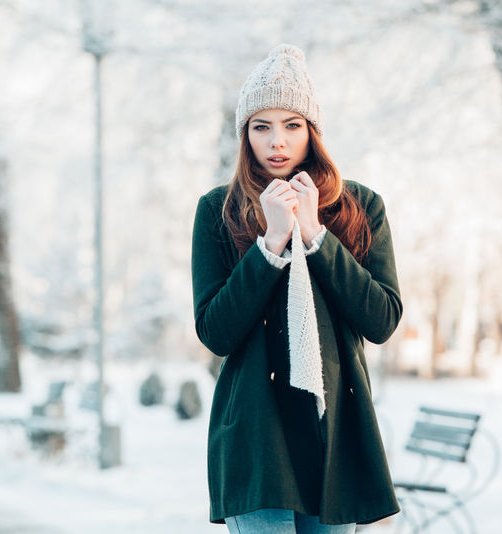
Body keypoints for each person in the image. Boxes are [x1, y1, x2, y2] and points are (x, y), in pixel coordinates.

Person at [191, 43, 402, 533]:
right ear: (246, 135)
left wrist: (316, 236)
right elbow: (216, 332)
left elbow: (381, 319)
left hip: (334, 430)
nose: (276, 141)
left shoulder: (359, 207)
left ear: (312, 132)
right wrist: (271, 242)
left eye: (291, 125)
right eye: (261, 127)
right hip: (256, 433)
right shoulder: (217, 212)